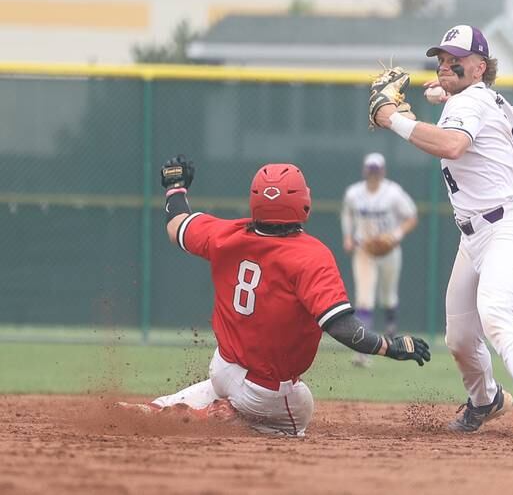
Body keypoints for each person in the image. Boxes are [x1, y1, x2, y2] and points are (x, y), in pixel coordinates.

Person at [117, 156, 430, 436]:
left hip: (223, 367)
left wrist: (175, 187)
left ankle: (160, 407)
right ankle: (219, 414)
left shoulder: (224, 234)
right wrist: (391, 346)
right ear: (303, 201)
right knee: (300, 410)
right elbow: (341, 327)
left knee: (226, 387)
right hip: (264, 390)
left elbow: (176, 226)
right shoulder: (311, 255)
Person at [372, 25, 513, 438]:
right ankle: (485, 400)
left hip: (508, 230)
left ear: (480, 66)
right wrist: (452, 96)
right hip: (474, 236)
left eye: (456, 60)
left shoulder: (475, 100)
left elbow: (452, 147)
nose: (446, 65)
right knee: (460, 337)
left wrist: (392, 119)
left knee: (494, 311)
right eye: (442, 60)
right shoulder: (489, 101)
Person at [340, 153, 418, 366]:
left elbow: (411, 216)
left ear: (382, 171)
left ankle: (391, 337)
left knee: (388, 296)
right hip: (364, 249)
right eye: (370, 170)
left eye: (377, 170)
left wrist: (395, 235)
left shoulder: (393, 193)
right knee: (364, 299)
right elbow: (347, 214)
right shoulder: (354, 193)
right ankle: (362, 352)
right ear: (365, 171)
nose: (373, 174)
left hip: (388, 251)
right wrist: (348, 236)